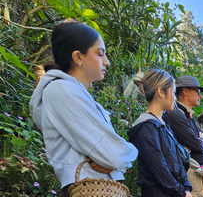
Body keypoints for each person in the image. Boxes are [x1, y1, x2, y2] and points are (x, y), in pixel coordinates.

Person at [29, 21, 138, 197]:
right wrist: (130, 153)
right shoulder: (62, 90)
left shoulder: (74, 93)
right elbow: (112, 153)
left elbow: (111, 154)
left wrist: (117, 158)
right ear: (78, 57)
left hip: (100, 187)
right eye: (100, 54)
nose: (107, 62)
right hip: (89, 188)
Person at [126, 69, 192, 197]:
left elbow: (174, 160)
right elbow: (159, 167)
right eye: (173, 92)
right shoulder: (146, 126)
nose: (175, 97)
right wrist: (181, 191)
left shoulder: (162, 123)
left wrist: (186, 187)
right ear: (161, 92)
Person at [164, 75, 203, 197]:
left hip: (196, 173)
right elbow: (199, 146)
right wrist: (201, 140)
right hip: (188, 173)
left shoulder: (188, 115)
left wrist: (202, 140)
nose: (200, 96)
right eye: (197, 92)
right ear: (185, 91)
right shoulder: (176, 114)